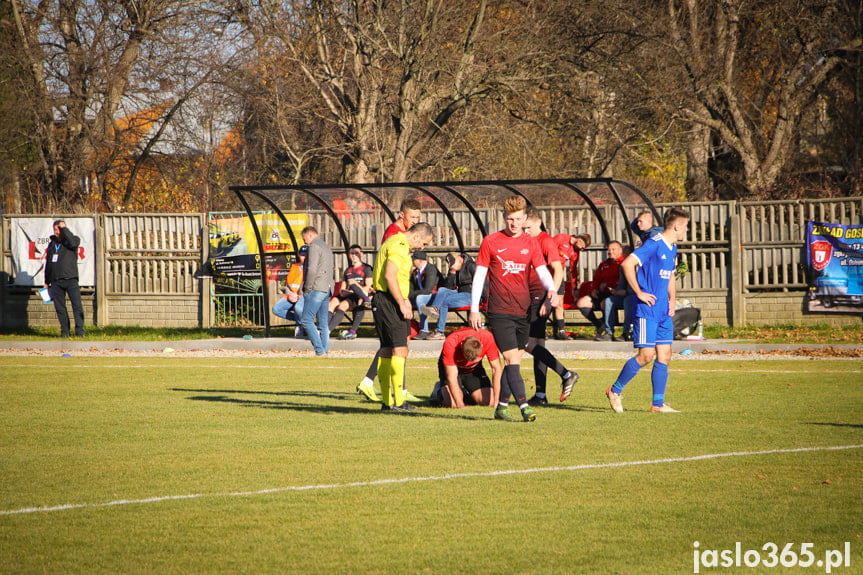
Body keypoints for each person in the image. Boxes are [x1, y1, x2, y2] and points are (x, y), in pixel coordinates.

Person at [469, 195, 558, 423]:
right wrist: (474, 308)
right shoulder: (491, 241)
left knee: (514, 363)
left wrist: (551, 290)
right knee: (511, 360)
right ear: (504, 218)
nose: (514, 223)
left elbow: (542, 270)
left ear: (525, 218)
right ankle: (525, 406)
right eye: (510, 219)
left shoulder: (531, 242)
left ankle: (501, 407)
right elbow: (479, 276)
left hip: (523, 310)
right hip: (499, 311)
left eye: (518, 219)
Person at [605, 207, 691, 414]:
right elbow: (628, 264)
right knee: (645, 355)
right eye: (686, 226)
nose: (686, 230)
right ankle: (614, 390)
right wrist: (639, 293)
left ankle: (657, 404)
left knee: (665, 354)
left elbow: (670, 274)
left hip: (663, 309)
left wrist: (672, 299)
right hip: (646, 309)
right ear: (677, 226)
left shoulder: (672, 248)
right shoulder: (653, 244)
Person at [356, 199, 423, 402]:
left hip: (393, 296)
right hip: (391, 297)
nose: (414, 221)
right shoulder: (396, 236)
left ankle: (381, 389)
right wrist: (402, 300)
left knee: (396, 344)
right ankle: (395, 394)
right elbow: (390, 272)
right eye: (412, 217)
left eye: (417, 218)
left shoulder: (403, 238)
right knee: (398, 345)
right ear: (401, 214)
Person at [372, 222, 434, 412]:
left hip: (384, 300)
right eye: (424, 243)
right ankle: (399, 402)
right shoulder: (399, 246)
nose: (422, 248)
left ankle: (387, 403)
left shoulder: (393, 240)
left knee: (387, 349)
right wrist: (401, 302)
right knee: (400, 349)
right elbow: (391, 276)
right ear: (416, 237)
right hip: (390, 301)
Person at [522, 207, 580, 405]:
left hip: (539, 295)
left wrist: (550, 297)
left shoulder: (545, 241)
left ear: (538, 223)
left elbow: (558, 270)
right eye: (523, 227)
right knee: (538, 345)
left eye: (528, 227)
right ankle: (540, 395)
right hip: (530, 295)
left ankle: (566, 374)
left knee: (524, 342)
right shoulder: (528, 240)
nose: (525, 230)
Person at [431, 327, 502, 408]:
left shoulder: (487, 338)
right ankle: (438, 390)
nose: (469, 361)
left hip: (473, 370)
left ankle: (463, 393)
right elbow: (452, 377)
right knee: (452, 403)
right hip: (454, 368)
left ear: (481, 345)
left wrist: (497, 401)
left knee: (489, 401)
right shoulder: (451, 343)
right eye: (467, 357)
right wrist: (460, 405)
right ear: (461, 345)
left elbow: (497, 369)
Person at [419, 252, 479, 340]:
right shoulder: (456, 269)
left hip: (471, 294)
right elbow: (448, 287)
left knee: (445, 301)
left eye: (452, 264)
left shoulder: (471, 266)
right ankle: (434, 308)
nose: (451, 266)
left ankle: (440, 331)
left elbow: (482, 282)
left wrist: (485, 298)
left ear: (459, 259)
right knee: (442, 290)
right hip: (460, 292)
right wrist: (452, 272)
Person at [576, 241, 625, 341]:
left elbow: (623, 281)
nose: (610, 252)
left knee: (605, 303)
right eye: (609, 249)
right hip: (602, 293)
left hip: (616, 293)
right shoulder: (603, 264)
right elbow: (596, 280)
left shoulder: (623, 264)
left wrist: (608, 284)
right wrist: (594, 289)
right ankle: (599, 325)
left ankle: (608, 331)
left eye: (613, 249)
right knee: (582, 302)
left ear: (620, 250)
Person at [44, 219, 85, 337]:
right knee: (60, 308)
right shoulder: (52, 244)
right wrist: (46, 282)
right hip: (56, 281)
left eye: (59, 229)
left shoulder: (73, 240)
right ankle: (65, 332)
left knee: (77, 306)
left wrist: (64, 229)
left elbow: (73, 243)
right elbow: (48, 264)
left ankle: (79, 332)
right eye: (56, 230)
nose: (57, 232)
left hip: (71, 279)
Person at [299, 226, 335, 357]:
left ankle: (319, 351)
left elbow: (312, 269)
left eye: (304, 239)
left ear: (309, 235)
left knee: (306, 320)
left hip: (317, 287)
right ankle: (324, 351)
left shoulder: (314, 246)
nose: (305, 242)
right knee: (323, 324)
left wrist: (307, 287)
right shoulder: (326, 246)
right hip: (327, 287)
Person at [327, 244, 373, 340]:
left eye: (356, 253)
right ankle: (325, 330)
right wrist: (347, 291)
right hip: (350, 295)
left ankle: (352, 331)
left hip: (362, 295)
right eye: (352, 253)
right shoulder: (348, 270)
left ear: (361, 254)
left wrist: (355, 287)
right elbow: (342, 289)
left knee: (352, 287)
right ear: (349, 255)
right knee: (332, 303)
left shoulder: (367, 268)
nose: (354, 255)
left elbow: (368, 287)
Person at [551, 232, 591, 339]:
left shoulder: (575, 252)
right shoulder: (561, 238)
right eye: (583, 247)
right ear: (579, 240)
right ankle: (541, 330)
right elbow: (547, 251)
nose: (582, 250)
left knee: (559, 303)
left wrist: (574, 287)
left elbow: (573, 270)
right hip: (547, 274)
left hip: (558, 277)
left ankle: (562, 331)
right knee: (542, 302)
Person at [272, 245, 308, 337]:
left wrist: (297, 295)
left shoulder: (311, 268)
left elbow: (308, 286)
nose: (304, 257)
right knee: (276, 309)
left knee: (298, 309)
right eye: (302, 255)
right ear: (299, 255)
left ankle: (300, 326)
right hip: (291, 295)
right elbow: (288, 283)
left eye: (306, 255)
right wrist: (290, 294)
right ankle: (300, 322)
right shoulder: (294, 267)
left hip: (303, 295)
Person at [408, 250, 440, 338]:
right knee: (403, 300)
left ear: (420, 261)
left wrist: (413, 294)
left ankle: (424, 330)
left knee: (420, 298)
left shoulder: (431, 269)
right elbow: (410, 290)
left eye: (413, 260)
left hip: (436, 297)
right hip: (422, 296)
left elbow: (428, 290)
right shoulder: (415, 272)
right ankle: (407, 328)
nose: (412, 262)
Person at [606, 245, 635, 341]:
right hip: (624, 294)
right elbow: (622, 284)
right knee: (609, 301)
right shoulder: (623, 266)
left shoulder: (639, 265)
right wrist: (617, 291)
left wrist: (627, 292)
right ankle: (609, 332)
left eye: (628, 253)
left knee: (629, 300)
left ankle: (627, 332)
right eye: (625, 253)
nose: (626, 255)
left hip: (634, 295)